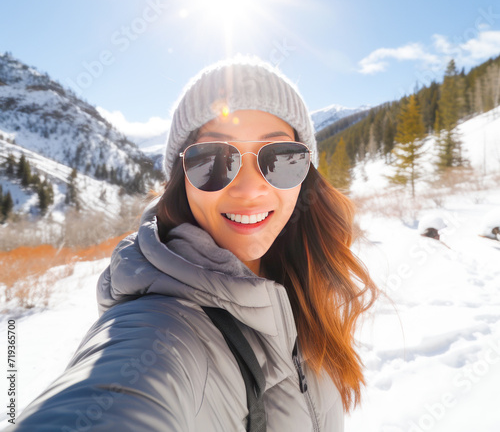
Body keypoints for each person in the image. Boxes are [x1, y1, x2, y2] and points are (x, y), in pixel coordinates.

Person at [10, 56, 378, 431]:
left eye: (281, 158)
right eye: (215, 159)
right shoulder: (162, 330)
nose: (250, 191)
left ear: (305, 173)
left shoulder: (305, 285)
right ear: (180, 178)